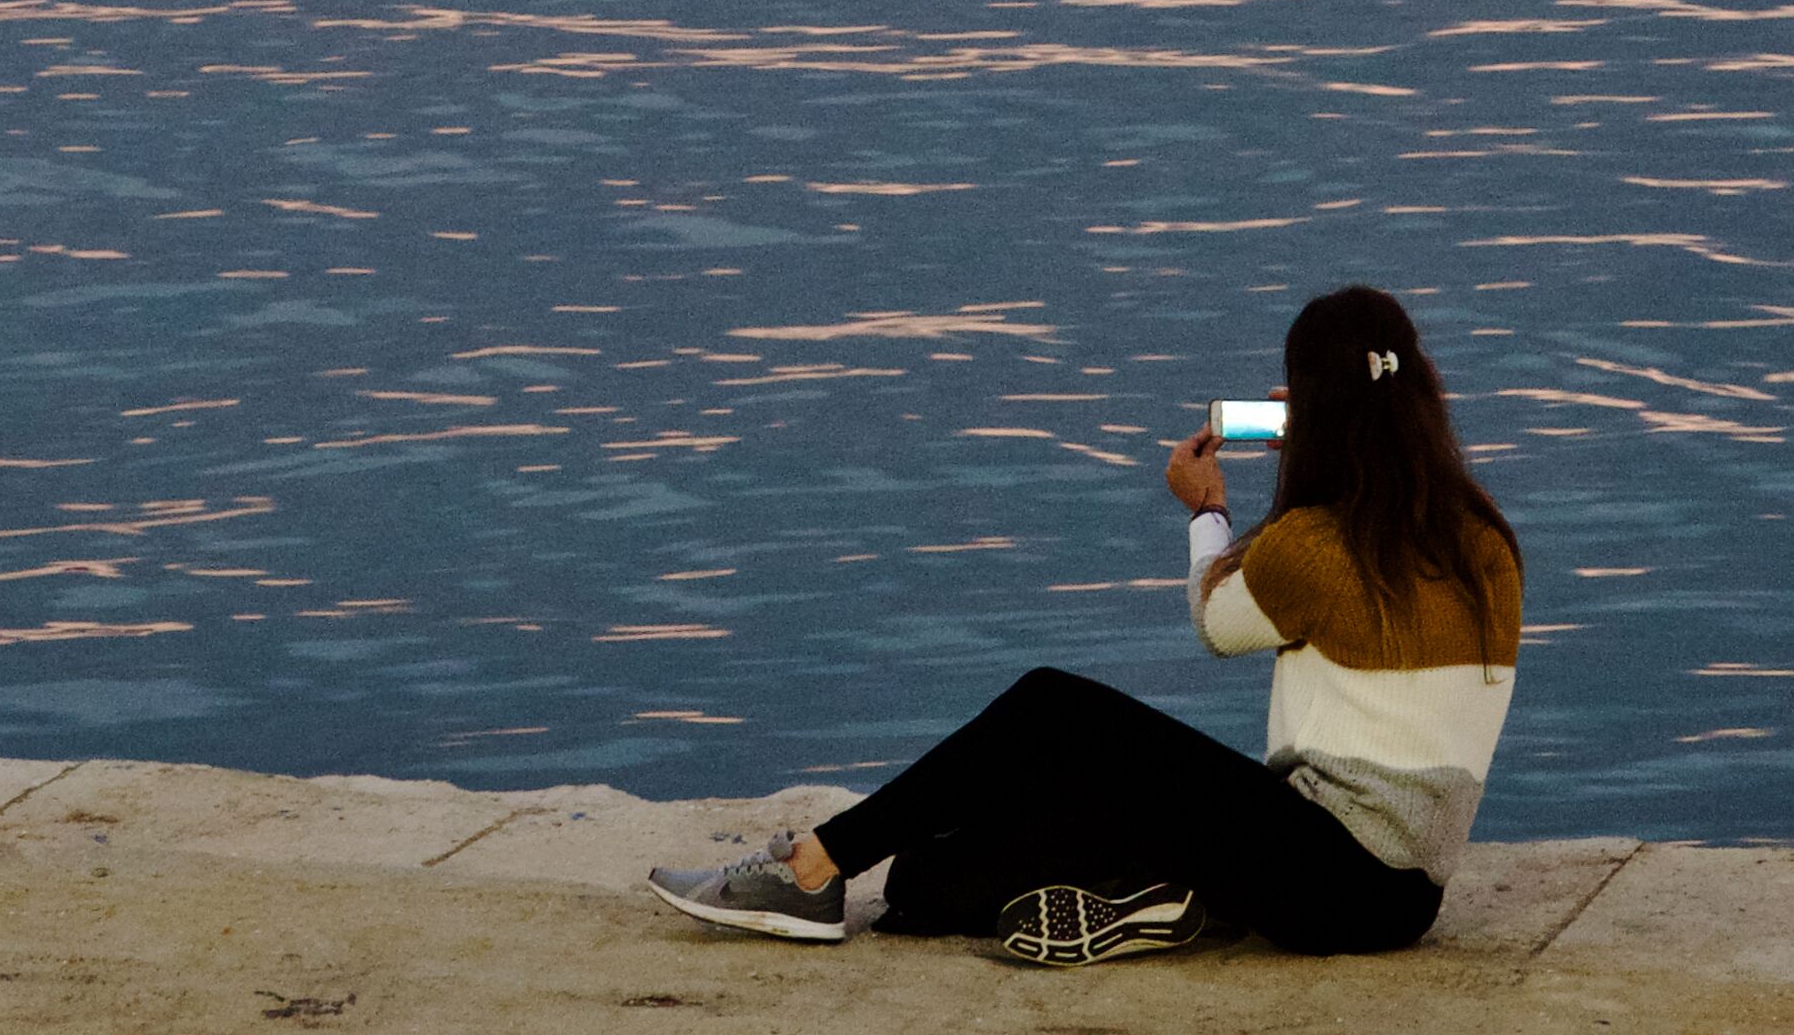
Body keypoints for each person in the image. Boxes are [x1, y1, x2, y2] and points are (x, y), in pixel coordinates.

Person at [649, 285, 1520, 969]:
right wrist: (1327, 452)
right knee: (927, 884)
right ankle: (1162, 899)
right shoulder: (1488, 544)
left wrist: (1209, 512)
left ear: (1314, 410)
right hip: (1403, 902)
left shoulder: (1315, 544)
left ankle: (813, 867)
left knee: (1052, 706)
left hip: (1327, 872)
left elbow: (1219, 623)